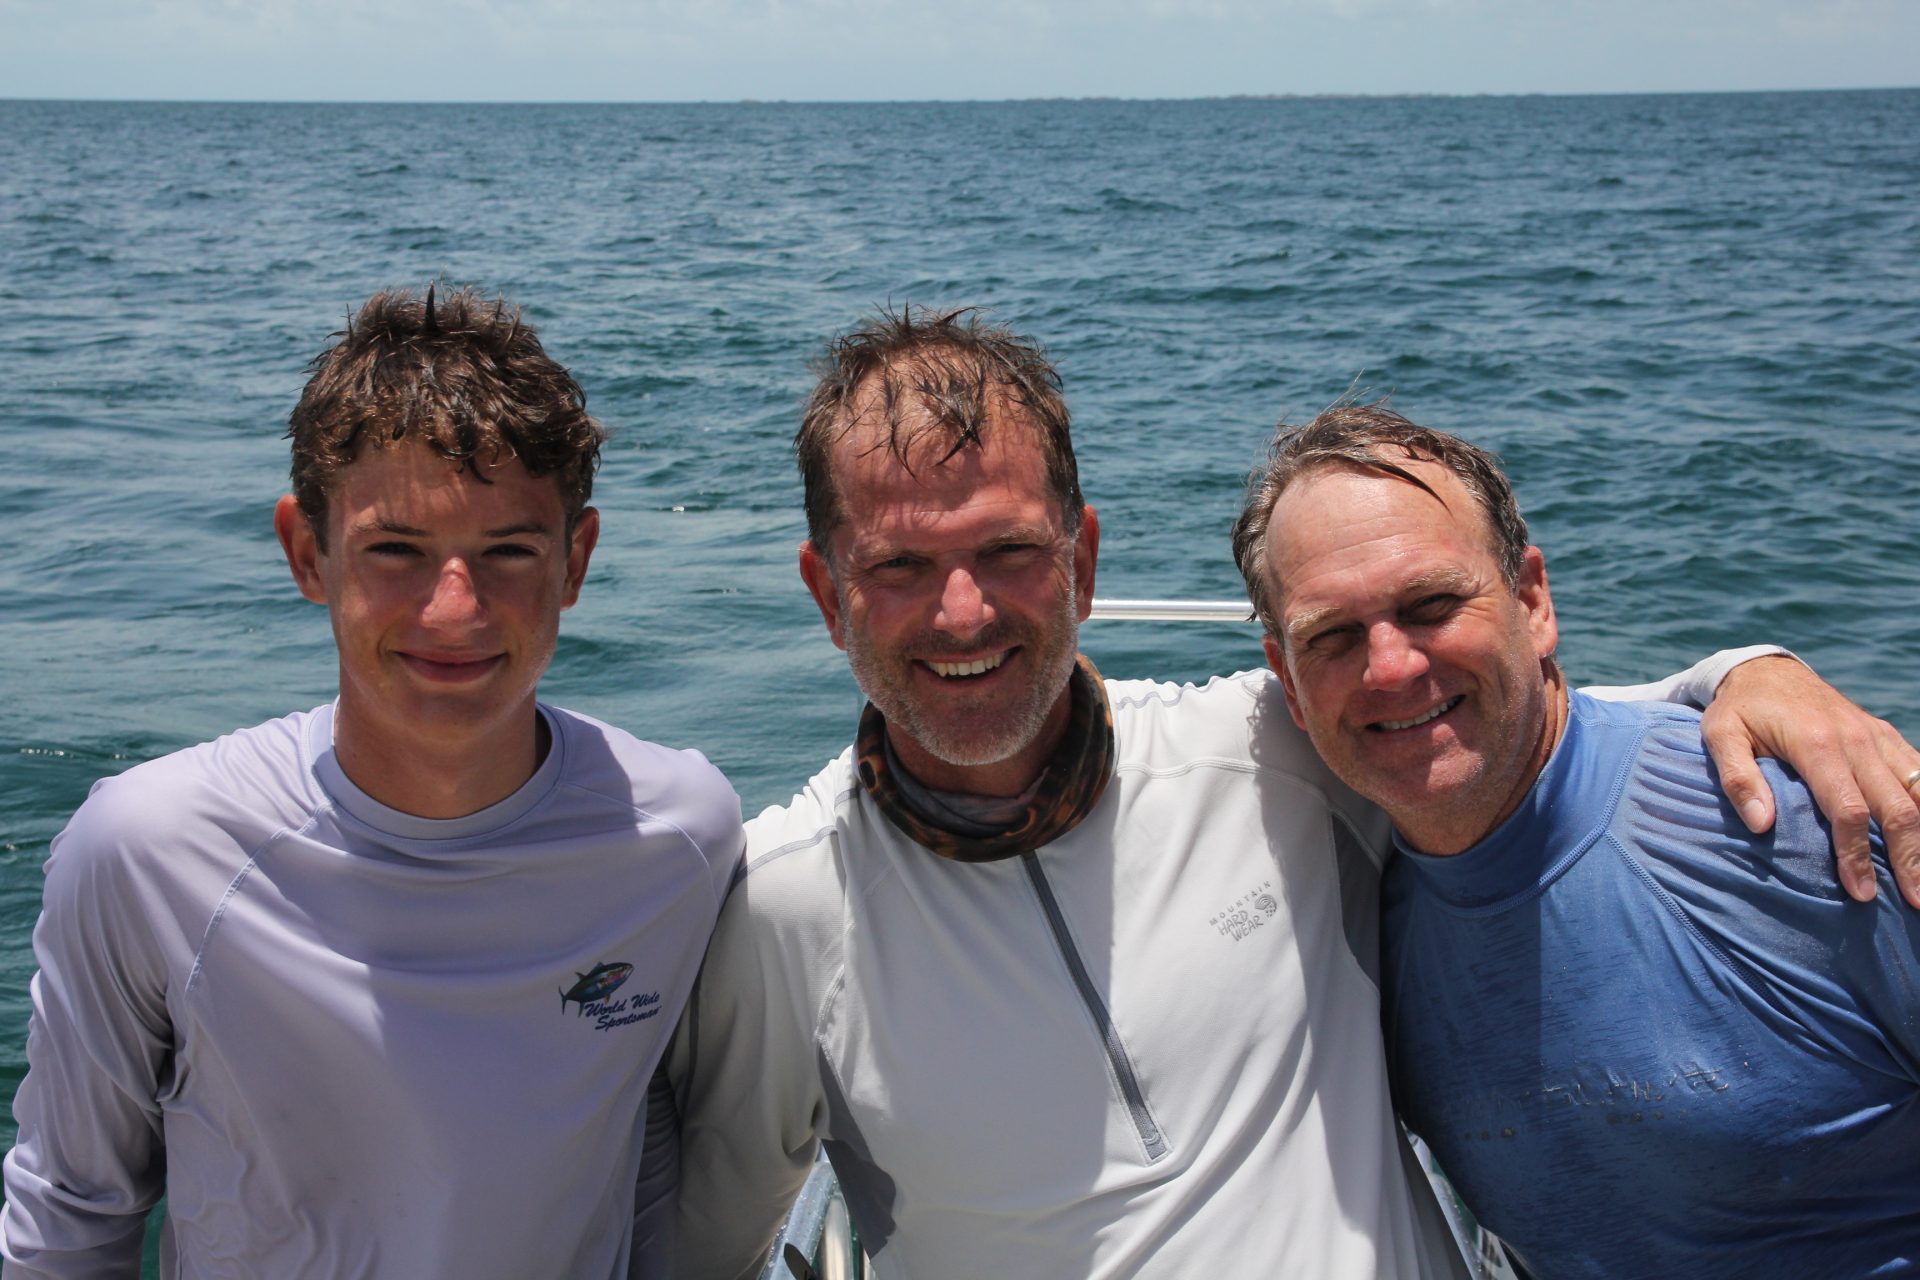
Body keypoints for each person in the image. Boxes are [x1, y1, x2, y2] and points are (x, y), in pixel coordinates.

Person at [668, 307, 1919, 1279]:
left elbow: (1497, 729)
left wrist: (1743, 674)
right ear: (827, 593)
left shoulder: (1266, 752)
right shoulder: (785, 904)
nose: (963, 611)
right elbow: (706, 1246)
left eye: (1008, 549)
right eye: (899, 565)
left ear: (1084, 559)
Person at [0, 287, 743, 1280]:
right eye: (396, 550)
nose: (454, 609)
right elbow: (68, 1215)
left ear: (577, 560)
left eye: (509, 550)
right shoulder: (147, 849)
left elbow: (648, 1135)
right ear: (307, 552)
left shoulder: (682, 837)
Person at [1236, 403, 1920, 1278]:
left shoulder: (1794, 824)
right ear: (1288, 682)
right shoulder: (1354, 924)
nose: (1392, 666)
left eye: (1432, 604)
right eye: (1331, 636)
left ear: (1532, 602)